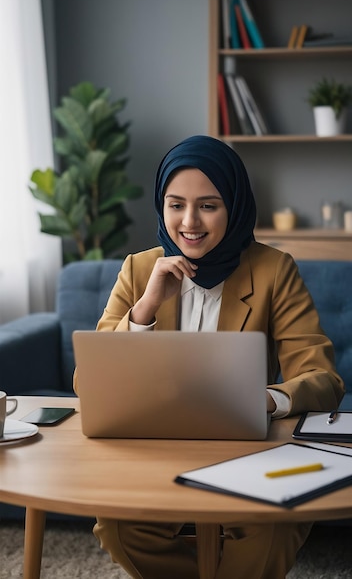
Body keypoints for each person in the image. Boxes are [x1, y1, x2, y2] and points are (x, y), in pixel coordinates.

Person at [74, 134, 345, 579]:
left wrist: (266, 399)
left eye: (208, 205)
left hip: (247, 451)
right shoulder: (139, 269)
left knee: (274, 530)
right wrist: (145, 309)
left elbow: (322, 379)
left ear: (234, 206)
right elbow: (88, 384)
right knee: (118, 528)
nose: (189, 222)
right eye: (175, 204)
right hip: (153, 452)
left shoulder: (274, 270)